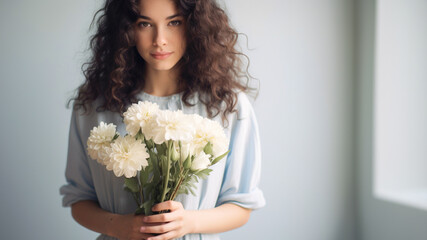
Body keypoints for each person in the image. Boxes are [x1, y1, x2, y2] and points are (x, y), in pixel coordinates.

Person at [60, 0, 265, 239]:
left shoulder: (228, 105)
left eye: (174, 22)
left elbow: (241, 205)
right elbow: (79, 199)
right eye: (145, 24)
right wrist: (117, 226)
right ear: (126, 29)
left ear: (196, 25)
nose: (160, 40)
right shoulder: (95, 104)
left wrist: (188, 222)